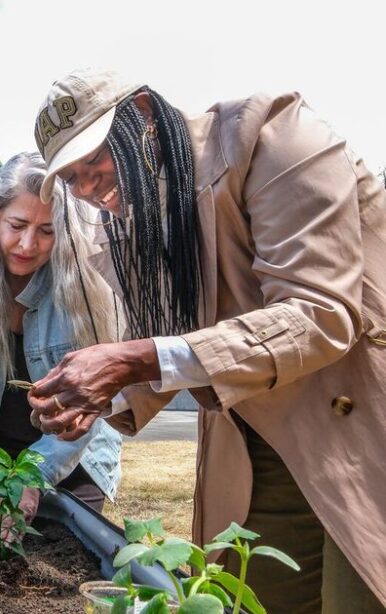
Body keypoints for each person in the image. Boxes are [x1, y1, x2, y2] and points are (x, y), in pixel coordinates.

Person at [27, 68, 386, 612]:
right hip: (257, 439)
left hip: (356, 433)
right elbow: (175, 341)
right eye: (70, 178)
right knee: (257, 597)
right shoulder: (143, 217)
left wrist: (133, 359)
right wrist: (105, 399)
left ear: (144, 116)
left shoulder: (273, 138)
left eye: (93, 160)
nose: (87, 189)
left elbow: (320, 314)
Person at [0, 152, 122, 537]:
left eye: (47, 230)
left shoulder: (87, 288)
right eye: (17, 225)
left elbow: (88, 404)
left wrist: (34, 476)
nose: (28, 244)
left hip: (73, 456)